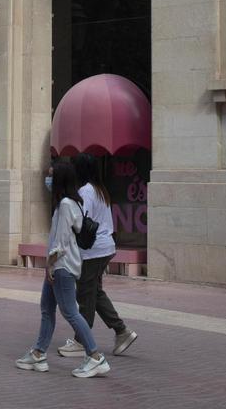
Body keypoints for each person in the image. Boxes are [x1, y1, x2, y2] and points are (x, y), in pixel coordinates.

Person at [15, 161, 110, 378]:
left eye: (51, 176)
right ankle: (38, 353)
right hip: (59, 266)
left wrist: (50, 264)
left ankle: (95, 356)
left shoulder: (67, 204)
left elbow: (61, 240)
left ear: (60, 179)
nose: (47, 180)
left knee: (70, 311)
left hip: (62, 266)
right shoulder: (69, 203)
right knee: (47, 309)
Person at [55, 153, 138, 359]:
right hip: (105, 247)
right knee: (95, 292)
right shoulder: (100, 189)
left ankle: (82, 340)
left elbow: (80, 222)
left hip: (93, 250)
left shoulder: (86, 191)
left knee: (85, 294)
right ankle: (121, 331)